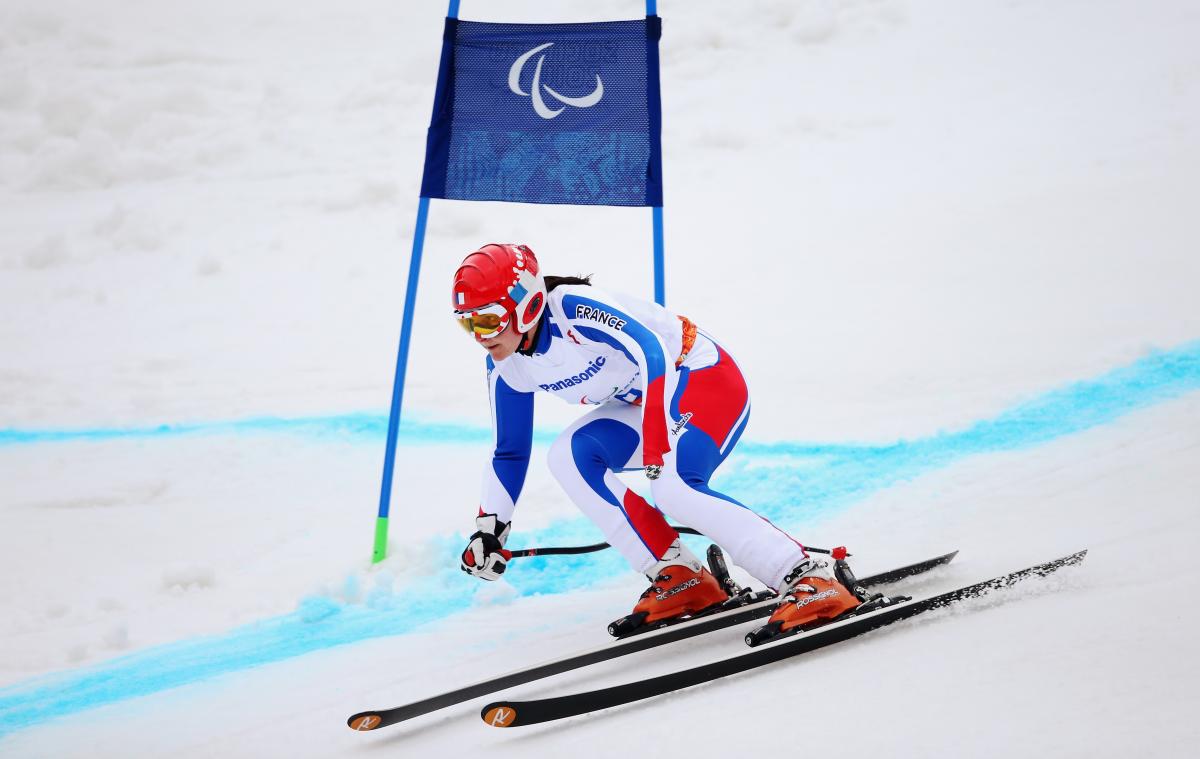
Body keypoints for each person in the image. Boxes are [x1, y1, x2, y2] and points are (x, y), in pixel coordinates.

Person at [454, 243, 858, 634]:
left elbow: (651, 351)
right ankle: (679, 573)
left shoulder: (573, 308)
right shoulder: (507, 366)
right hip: (650, 400)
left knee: (672, 485)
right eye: (466, 323)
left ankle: (805, 576)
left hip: (700, 377)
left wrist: (655, 440)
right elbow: (509, 451)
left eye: (487, 319)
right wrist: (490, 529)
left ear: (527, 305)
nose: (479, 335)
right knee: (567, 456)